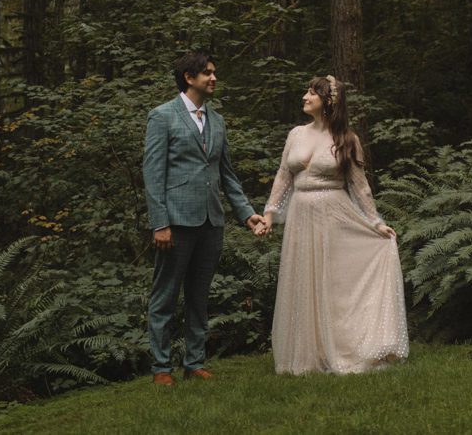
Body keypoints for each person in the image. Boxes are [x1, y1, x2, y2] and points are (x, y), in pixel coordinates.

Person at [257, 75, 409, 374]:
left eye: (311, 93)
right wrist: (270, 213)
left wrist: (376, 223)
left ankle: (343, 345)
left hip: (334, 214)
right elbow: (283, 177)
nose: (304, 97)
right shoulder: (296, 134)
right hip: (301, 214)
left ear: (328, 101)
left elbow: (359, 185)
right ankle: (307, 355)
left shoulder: (347, 139)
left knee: (334, 282)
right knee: (304, 278)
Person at [143, 51, 265, 386]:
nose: (213, 78)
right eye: (207, 73)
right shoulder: (162, 116)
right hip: (176, 222)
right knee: (164, 296)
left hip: (212, 222)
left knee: (199, 295)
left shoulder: (218, 121)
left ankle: (195, 363)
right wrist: (160, 223)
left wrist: (247, 215)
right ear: (188, 77)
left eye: (214, 72)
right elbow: (153, 176)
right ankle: (161, 368)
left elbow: (227, 175)